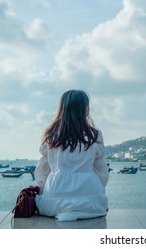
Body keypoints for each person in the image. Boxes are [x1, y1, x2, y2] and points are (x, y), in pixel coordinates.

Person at [34, 90, 109, 222]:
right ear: (84, 109)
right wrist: (98, 195)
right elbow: (101, 172)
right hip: (89, 201)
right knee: (93, 206)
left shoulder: (51, 135)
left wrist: (44, 191)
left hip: (55, 200)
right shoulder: (94, 135)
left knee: (49, 205)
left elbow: (42, 171)